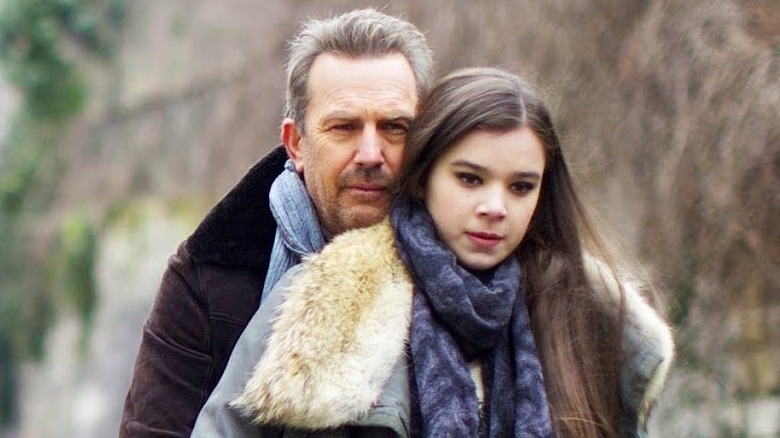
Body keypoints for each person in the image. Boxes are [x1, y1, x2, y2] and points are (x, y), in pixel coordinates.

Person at [190, 68, 674, 437]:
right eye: (469, 179)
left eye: (521, 186)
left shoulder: (591, 316)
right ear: (422, 177)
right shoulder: (330, 301)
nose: (494, 208)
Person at [119, 8, 434, 437]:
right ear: (296, 144)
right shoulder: (209, 277)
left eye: (394, 127)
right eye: (344, 127)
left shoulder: (479, 262)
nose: (370, 153)